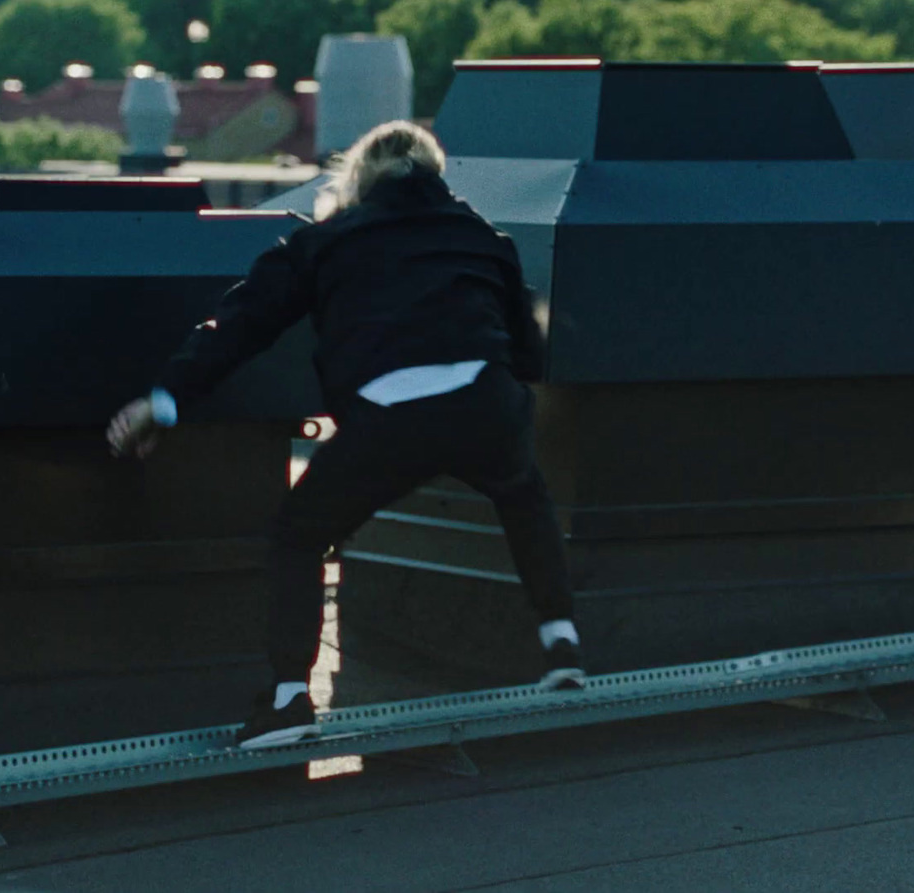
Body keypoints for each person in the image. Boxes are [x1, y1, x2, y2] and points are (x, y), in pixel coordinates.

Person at [106, 120, 585, 750]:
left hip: (390, 415)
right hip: (483, 401)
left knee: (300, 533)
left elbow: (241, 324)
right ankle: (561, 641)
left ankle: (288, 700)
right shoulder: (481, 237)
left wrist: (163, 402)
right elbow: (528, 350)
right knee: (522, 493)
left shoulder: (327, 240)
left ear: (355, 178)